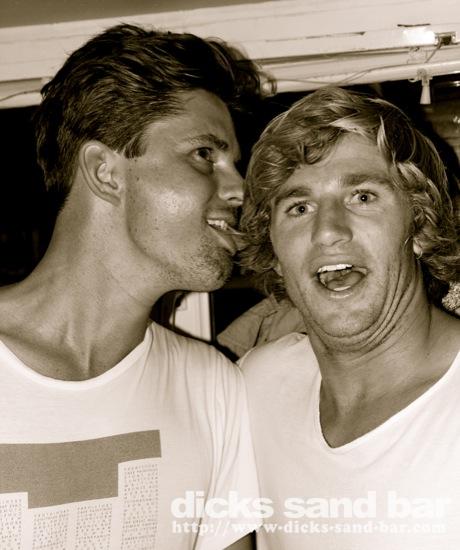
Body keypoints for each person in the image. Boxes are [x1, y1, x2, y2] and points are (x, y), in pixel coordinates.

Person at [0, 23, 268, 549]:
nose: (239, 188)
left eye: (233, 164)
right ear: (105, 171)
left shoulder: (212, 388)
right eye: (204, 155)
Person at [239, 87, 460, 549]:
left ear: (419, 226)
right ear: (274, 252)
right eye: (299, 207)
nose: (328, 231)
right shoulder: (254, 389)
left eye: (362, 196)